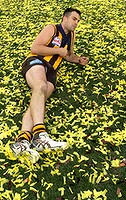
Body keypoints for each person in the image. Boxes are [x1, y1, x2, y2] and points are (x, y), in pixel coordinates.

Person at [9, 8, 89, 163]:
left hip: (51, 71)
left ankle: (22, 141)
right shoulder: (52, 28)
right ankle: (40, 135)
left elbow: (68, 55)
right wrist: (58, 50)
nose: (76, 23)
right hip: (37, 62)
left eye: (78, 20)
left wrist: (78, 60)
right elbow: (35, 47)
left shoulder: (71, 36)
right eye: (74, 19)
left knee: (39, 100)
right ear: (64, 18)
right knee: (39, 87)